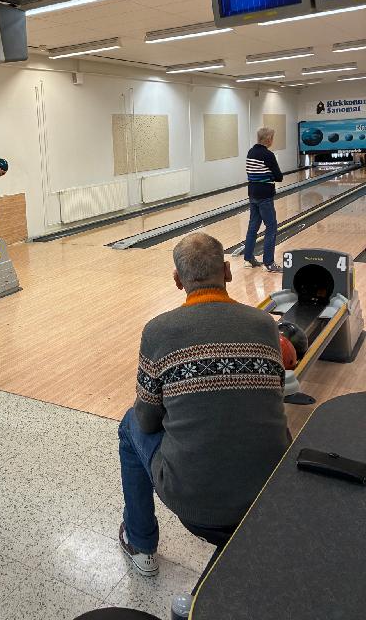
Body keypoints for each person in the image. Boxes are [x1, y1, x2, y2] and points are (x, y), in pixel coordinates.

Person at [118, 233, 290, 577]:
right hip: (271, 490)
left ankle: (141, 543)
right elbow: (275, 394)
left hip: (195, 502)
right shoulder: (265, 326)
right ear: (227, 271)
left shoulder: (158, 331)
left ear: (178, 280)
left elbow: (147, 421)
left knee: (129, 424)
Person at [243, 126, 284, 273]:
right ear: (268, 139)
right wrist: (269, 176)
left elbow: (252, 173)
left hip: (253, 193)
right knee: (271, 227)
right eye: (272, 137)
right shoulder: (268, 155)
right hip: (265, 196)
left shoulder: (251, 152)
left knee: (253, 227)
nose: (273, 140)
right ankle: (269, 263)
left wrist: (264, 175)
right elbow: (279, 176)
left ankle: (248, 259)